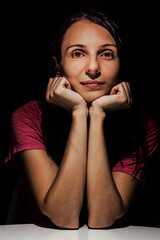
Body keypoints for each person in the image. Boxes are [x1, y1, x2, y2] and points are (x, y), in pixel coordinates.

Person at [5, 9, 160, 229]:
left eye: (106, 54)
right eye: (78, 53)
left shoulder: (145, 126)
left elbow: (102, 219)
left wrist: (96, 115)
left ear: (120, 64)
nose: (93, 67)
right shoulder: (28, 117)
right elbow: (63, 217)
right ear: (57, 65)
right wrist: (79, 113)